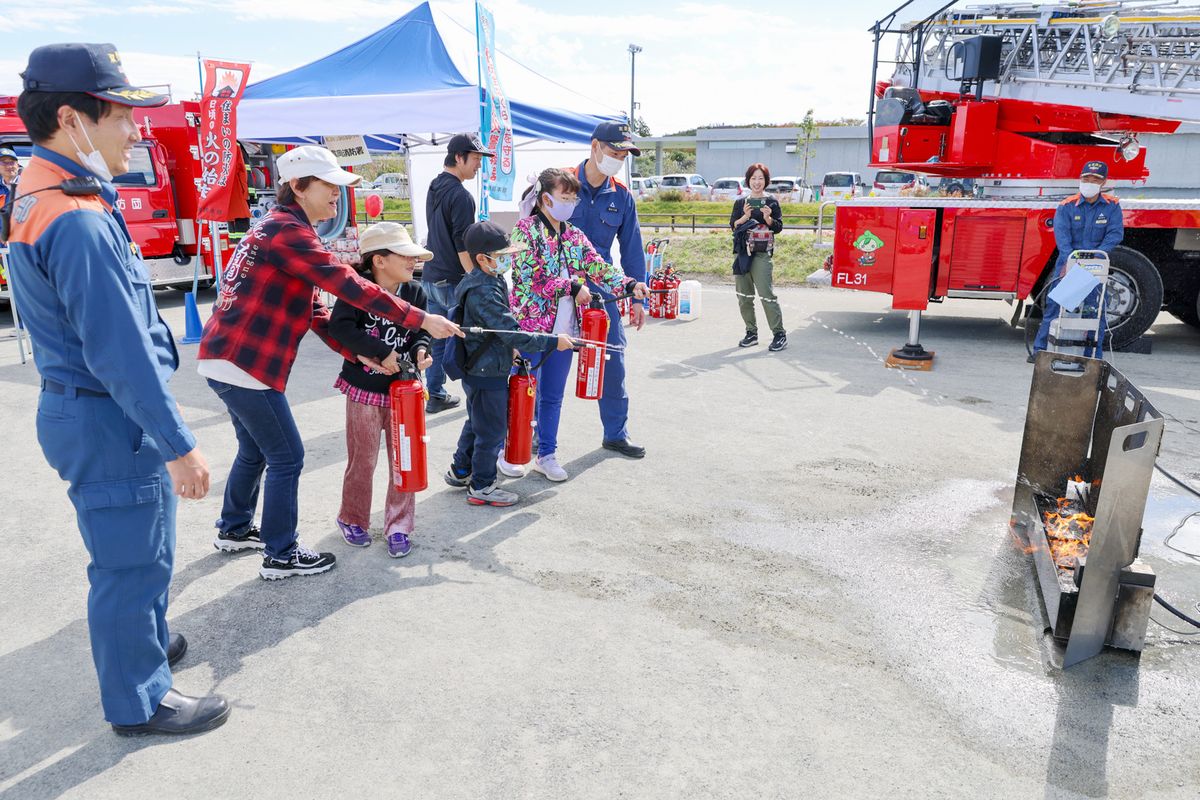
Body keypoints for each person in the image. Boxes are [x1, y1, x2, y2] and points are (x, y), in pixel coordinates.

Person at [6, 42, 225, 737]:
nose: (139, 131)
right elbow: (120, 351)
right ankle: (141, 699)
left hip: (94, 412)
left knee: (142, 546)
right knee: (130, 561)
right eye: (124, 116)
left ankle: (147, 640)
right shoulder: (71, 215)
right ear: (72, 118)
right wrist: (177, 442)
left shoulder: (50, 190)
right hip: (110, 416)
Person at [198, 145, 461, 580]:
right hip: (244, 363)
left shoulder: (280, 228)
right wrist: (420, 318)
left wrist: (356, 350)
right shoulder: (289, 232)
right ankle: (280, 554)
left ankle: (235, 527)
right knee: (287, 457)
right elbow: (347, 285)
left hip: (226, 359)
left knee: (254, 449)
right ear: (299, 187)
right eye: (330, 186)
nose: (338, 196)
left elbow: (315, 309)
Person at [502, 167, 637, 482]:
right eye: (565, 197)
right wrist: (571, 287)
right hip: (530, 329)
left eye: (574, 198)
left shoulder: (573, 235)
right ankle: (508, 449)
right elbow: (529, 279)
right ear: (545, 198)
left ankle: (546, 454)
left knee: (552, 395)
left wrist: (629, 285)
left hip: (565, 330)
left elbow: (597, 266)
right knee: (521, 390)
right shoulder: (525, 230)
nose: (571, 203)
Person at [445, 220, 574, 506]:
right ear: (482, 258)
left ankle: (461, 469)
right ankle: (482, 486)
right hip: (485, 370)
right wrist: (554, 341)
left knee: (478, 421)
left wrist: (510, 351)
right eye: (502, 256)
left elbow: (497, 333)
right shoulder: (484, 290)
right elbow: (510, 331)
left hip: (483, 365)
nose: (507, 260)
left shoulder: (488, 280)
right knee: (491, 430)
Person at [328, 222, 433, 558]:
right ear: (379, 261)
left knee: (406, 460)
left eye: (413, 256)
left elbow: (421, 331)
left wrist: (420, 350)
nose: (412, 262)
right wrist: (380, 353)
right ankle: (352, 518)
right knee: (363, 459)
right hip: (363, 389)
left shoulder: (415, 292)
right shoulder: (356, 291)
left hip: (405, 391)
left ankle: (399, 525)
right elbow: (341, 328)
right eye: (404, 255)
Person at [567, 122, 651, 458]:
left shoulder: (621, 196)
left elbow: (632, 248)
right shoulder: (561, 184)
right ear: (595, 147)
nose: (618, 159)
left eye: (623, 155)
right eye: (614, 152)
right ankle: (534, 433)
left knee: (613, 360)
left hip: (603, 291)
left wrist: (637, 296)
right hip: (559, 289)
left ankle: (615, 433)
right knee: (547, 361)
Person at [422, 133, 492, 414]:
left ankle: (436, 393)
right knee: (467, 341)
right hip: (452, 279)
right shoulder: (461, 196)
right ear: (459, 157)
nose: (478, 165)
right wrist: (477, 280)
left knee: (438, 340)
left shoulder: (435, 185)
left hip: (430, 276)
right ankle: (476, 401)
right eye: (475, 159)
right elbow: (463, 243)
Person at [1031, 160, 1124, 361]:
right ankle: (1040, 351)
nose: (1089, 182)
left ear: (1103, 182)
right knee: (1055, 308)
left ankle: (1093, 355)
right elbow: (1062, 238)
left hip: (1096, 268)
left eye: (1095, 179)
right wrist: (1075, 263)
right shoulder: (1066, 206)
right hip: (1068, 265)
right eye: (1086, 178)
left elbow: (1115, 234)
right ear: (1080, 180)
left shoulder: (1112, 206)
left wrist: (1096, 257)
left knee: (1095, 311)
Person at [730, 162, 787, 351]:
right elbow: (733, 226)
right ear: (748, 180)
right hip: (742, 254)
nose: (756, 182)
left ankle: (779, 334)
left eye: (760, 178)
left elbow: (778, 228)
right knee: (744, 296)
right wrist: (745, 217)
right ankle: (751, 332)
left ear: (766, 181)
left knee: (767, 296)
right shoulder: (741, 202)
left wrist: (769, 218)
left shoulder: (771, 202)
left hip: (762, 254)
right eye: (753, 178)